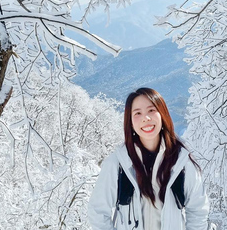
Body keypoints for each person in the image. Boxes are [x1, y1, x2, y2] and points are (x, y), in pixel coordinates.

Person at [88, 87, 210, 230]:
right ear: (131, 122)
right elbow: (98, 212)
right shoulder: (118, 164)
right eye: (137, 113)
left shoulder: (181, 163)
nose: (146, 118)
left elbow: (198, 211)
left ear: (162, 114)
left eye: (151, 110)